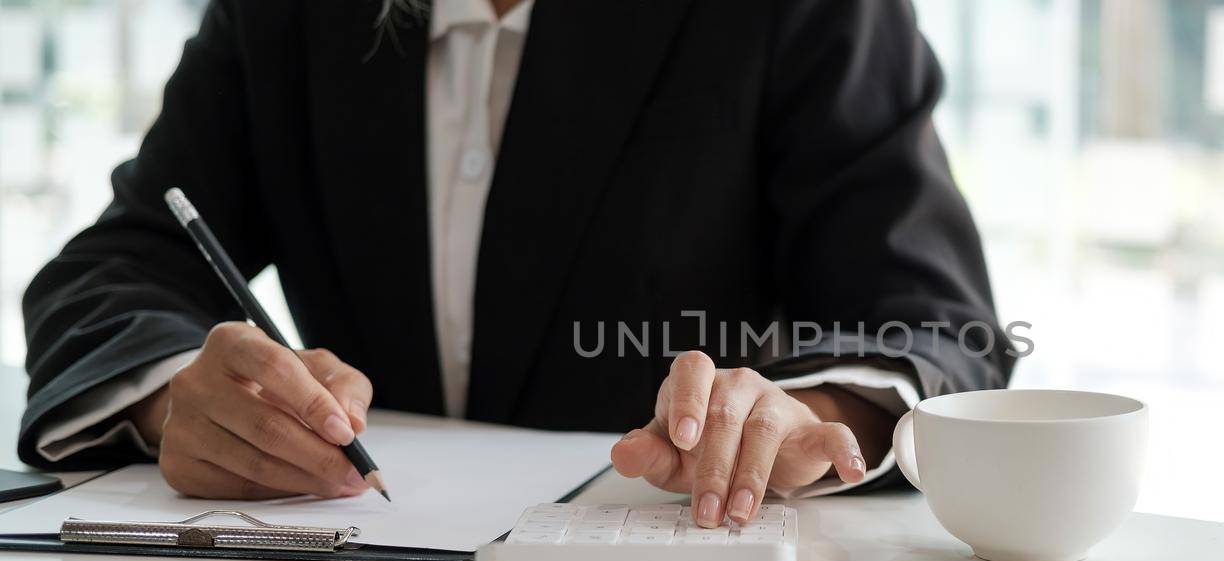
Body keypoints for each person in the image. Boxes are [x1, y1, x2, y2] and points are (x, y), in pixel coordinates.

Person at [18, 0, 1011, 528]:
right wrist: (172, 400)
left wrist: (817, 416)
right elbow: (123, 263)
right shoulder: (287, 14)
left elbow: (934, 321)